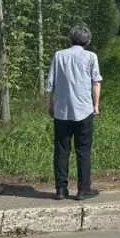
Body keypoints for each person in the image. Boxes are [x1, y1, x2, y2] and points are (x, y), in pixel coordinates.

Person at [46, 24, 102, 200]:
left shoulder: (58, 55)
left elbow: (50, 84)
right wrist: (96, 105)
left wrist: (50, 105)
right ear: (88, 41)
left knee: (62, 150)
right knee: (83, 150)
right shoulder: (91, 57)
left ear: (69, 39)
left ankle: (60, 189)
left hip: (62, 110)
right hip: (83, 109)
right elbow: (95, 83)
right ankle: (83, 189)